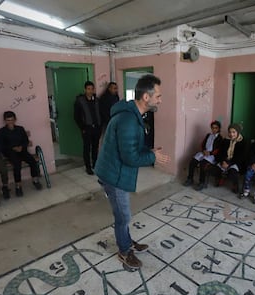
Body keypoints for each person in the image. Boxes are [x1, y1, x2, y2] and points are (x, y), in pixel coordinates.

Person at [95, 74, 170, 269]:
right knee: (123, 216)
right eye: (158, 96)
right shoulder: (128, 120)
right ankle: (124, 252)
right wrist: (153, 158)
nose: (161, 100)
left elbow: (133, 148)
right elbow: (130, 158)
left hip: (115, 170)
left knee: (123, 215)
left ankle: (127, 242)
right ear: (146, 97)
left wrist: (148, 151)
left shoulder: (132, 115)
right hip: (114, 175)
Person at [0, 111, 42, 197]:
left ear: (15, 120)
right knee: (17, 165)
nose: (10, 122)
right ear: (5, 121)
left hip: (22, 151)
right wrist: (12, 148)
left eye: (12, 120)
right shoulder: (2, 131)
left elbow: (25, 141)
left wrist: (21, 147)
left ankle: (35, 180)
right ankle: (18, 186)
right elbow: (1, 145)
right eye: (8, 120)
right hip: (10, 153)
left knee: (32, 161)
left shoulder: (20, 129)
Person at [183, 120, 222, 191]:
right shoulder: (208, 135)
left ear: (219, 129)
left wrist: (210, 153)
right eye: (213, 128)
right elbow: (203, 144)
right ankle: (190, 179)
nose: (214, 129)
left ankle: (202, 182)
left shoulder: (220, 138)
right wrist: (203, 150)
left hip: (212, 155)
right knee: (193, 161)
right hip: (204, 152)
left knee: (203, 164)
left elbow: (218, 150)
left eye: (216, 128)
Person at [74, 81, 102, 175]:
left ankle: (95, 164)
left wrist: (100, 126)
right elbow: (76, 116)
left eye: (92, 89)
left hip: (96, 128)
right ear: (85, 89)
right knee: (87, 148)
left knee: (95, 147)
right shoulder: (80, 101)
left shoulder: (97, 100)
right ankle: (88, 167)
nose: (90, 91)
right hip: (87, 128)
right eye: (88, 89)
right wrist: (82, 127)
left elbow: (100, 113)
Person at [210, 123, 245, 193]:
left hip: (235, 161)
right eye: (230, 132)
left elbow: (240, 157)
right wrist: (223, 161)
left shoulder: (242, 142)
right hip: (225, 160)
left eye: (234, 132)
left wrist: (229, 164)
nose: (231, 134)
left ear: (238, 132)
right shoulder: (225, 140)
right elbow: (220, 153)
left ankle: (235, 185)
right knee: (214, 169)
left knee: (232, 172)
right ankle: (221, 178)